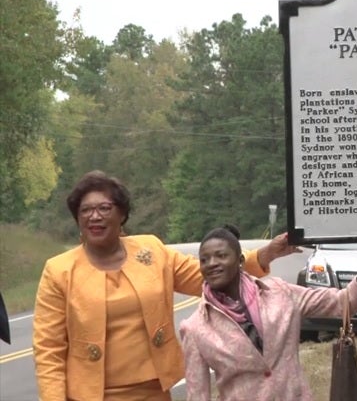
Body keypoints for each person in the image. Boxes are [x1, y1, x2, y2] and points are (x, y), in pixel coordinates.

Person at [32, 170, 293, 401]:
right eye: (85, 210)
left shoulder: (152, 250)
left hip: (153, 391)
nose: (94, 216)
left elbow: (209, 274)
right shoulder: (59, 271)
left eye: (104, 208)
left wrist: (265, 254)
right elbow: (48, 350)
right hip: (88, 395)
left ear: (122, 214)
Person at [179, 225, 357, 400]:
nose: (211, 264)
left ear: (240, 261)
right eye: (204, 259)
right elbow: (197, 395)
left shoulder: (280, 293)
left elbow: (344, 302)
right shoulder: (195, 328)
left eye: (220, 255)